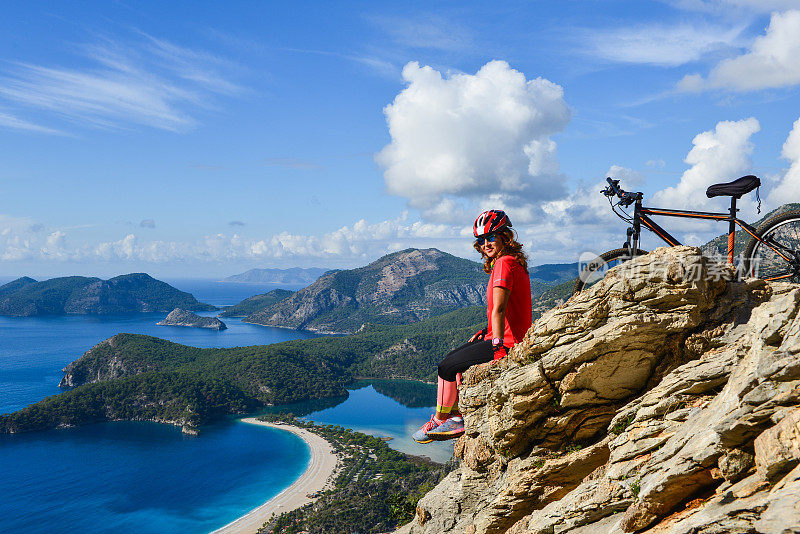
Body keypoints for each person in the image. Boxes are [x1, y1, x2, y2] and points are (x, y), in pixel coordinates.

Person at [412, 210, 532, 444]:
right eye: (481, 240)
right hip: (505, 336)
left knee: (446, 366)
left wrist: (496, 345)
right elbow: (507, 309)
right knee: (453, 358)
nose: (485, 243)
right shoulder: (512, 261)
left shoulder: (504, 264)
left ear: (505, 237)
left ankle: (441, 420)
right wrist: (485, 332)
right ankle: (456, 415)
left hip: (507, 342)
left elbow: (500, 309)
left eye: (491, 237)